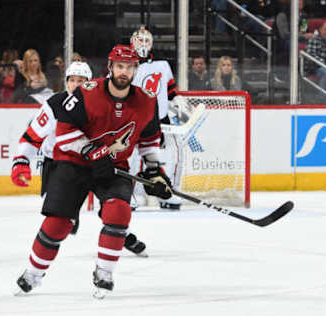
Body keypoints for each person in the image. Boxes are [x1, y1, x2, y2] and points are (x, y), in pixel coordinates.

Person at [13, 45, 172, 298]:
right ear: (110, 67)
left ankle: (104, 272)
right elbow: (64, 133)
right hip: (74, 163)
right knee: (58, 224)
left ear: (135, 70)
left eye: (129, 67)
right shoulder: (86, 94)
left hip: (113, 167)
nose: (124, 72)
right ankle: (33, 272)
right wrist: (92, 151)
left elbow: (149, 141)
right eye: (120, 66)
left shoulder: (146, 101)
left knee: (119, 212)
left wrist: (155, 172)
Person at [11, 60, 148, 256]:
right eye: (72, 80)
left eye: (82, 80)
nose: (76, 84)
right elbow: (32, 136)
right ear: (66, 82)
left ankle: (121, 234)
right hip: (61, 165)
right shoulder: (54, 104)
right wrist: (21, 161)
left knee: (113, 205)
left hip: (95, 161)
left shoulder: (100, 103)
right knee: (61, 218)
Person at [130, 26, 191, 210]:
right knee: (133, 155)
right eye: (140, 40)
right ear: (132, 42)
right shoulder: (126, 65)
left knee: (178, 149)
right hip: (136, 118)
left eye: (146, 41)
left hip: (161, 118)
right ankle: (132, 192)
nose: (143, 44)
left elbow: (171, 90)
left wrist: (178, 100)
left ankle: (170, 191)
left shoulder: (162, 64)